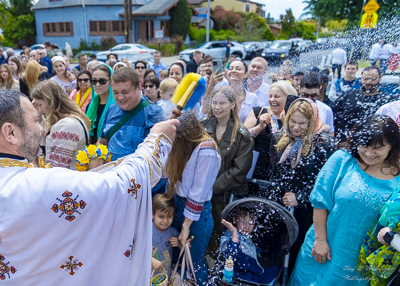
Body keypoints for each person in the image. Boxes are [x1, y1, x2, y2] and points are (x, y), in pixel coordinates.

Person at [0, 88, 178, 284]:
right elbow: (122, 185)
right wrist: (158, 140)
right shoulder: (36, 185)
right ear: (10, 132)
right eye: (35, 120)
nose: (41, 129)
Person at [289, 115, 400, 286]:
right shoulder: (342, 160)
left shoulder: (397, 177)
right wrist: (320, 240)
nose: (369, 153)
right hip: (323, 250)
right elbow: (320, 202)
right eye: (365, 145)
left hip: (363, 263)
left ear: (392, 146)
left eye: (377, 148)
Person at [265, 98, 334, 273]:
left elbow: (325, 183)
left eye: (302, 123)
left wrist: (300, 197)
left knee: (297, 251)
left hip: (306, 211)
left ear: (311, 122)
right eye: (292, 122)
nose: (296, 127)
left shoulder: (322, 145)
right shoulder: (278, 139)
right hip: (281, 205)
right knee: (276, 251)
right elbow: (272, 174)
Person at [166, 112, 221, 286]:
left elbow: (199, 193)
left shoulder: (207, 150)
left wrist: (186, 226)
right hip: (179, 205)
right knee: (175, 257)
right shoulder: (186, 146)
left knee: (194, 262)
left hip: (196, 213)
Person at [201, 86, 254, 256]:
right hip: (201, 193)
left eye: (222, 103)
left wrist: (211, 188)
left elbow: (238, 171)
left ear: (232, 104)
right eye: (214, 102)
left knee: (218, 238)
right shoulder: (203, 127)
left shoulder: (242, 135)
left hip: (224, 196)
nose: (217, 107)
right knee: (202, 235)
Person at [98, 66, 163, 160]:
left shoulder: (154, 113)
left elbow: (156, 155)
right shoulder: (111, 109)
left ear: (138, 87)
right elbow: (102, 142)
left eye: (125, 92)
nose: (120, 97)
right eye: (115, 92)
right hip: (111, 172)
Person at [244, 80, 297, 183]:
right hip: (254, 171)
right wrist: (260, 126)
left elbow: (296, 142)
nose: (272, 100)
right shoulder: (258, 112)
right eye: (270, 96)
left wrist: (285, 123)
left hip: (279, 174)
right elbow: (243, 137)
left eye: (276, 97)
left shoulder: (294, 119)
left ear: (289, 98)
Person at [31, 80, 90, 169]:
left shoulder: (67, 125)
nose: (41, 109)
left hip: (67, 180)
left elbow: (58, 166)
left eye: (40, 104)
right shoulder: (68, 120)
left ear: (49, 101)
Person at [333, 66, 398, 143]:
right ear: (361, 78)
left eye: (372, 79)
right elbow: (335, 116)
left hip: (376, 143)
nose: (368, 82)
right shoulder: (348, 95)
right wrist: (340, 140)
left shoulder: (386, 101)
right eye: (365, 79)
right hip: (348, 142)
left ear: (380, 78)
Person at [221, 209, 280, 284]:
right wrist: (234, 232)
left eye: (251, 223)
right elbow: (232, 256)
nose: (247, 226)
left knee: (275, 270)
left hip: (254, 274)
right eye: (243, 222)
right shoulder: (230, 235)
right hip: (240, 275)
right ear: (234, 220)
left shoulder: (247, 236)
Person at [151, 194, 181, 276]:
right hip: (147, 276)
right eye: (161, 217)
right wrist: (151, 260)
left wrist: (179, 243)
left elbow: (182, 247)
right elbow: (137, 251)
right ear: (152, 214)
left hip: (165, 276)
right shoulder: (147, 231)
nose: (165, 221)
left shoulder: (173, 232)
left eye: (169, 217)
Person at [86, 64, 115, 143]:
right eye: (94, 81)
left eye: (102, 81)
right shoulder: (90, 106)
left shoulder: (117, 107)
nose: (97, 85)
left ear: (111, 81)